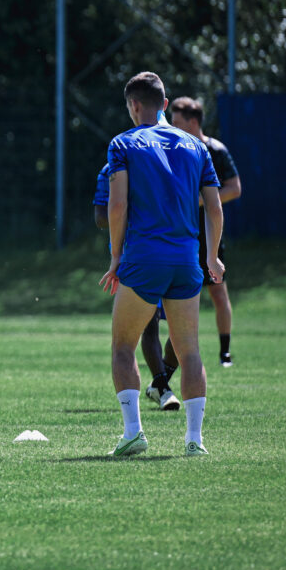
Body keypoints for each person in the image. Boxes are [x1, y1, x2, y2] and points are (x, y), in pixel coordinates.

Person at [100, 72, 223, 457]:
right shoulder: (196, 146)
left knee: (123, 346)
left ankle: (134, 433)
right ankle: (194, 441)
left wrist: (116, 255)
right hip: (187, 260)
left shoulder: (123, 143)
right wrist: (211, 255)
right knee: (190, 352)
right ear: (166, 104)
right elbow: (215, 209)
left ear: (134, 105)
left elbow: (116, 205)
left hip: (143, 258)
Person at [93, 163, 179, 410]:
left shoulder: (162, 165)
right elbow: (100, 218)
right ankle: (163, 390)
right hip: (134, 256)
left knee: (180, 334)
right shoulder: (111, 169)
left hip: (170, 253)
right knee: (149, 327)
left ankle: (158, 384)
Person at [169, 96, 242, 368]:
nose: (173, 127)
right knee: (183, 298)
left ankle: (224, 352)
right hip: (181, 233)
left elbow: (234, 188)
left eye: (177, 122)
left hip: (209, 233)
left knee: (218, 293)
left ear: (193, 121)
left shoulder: (215, 150)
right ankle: (174, 359)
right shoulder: (174, 149)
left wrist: (204, 200)